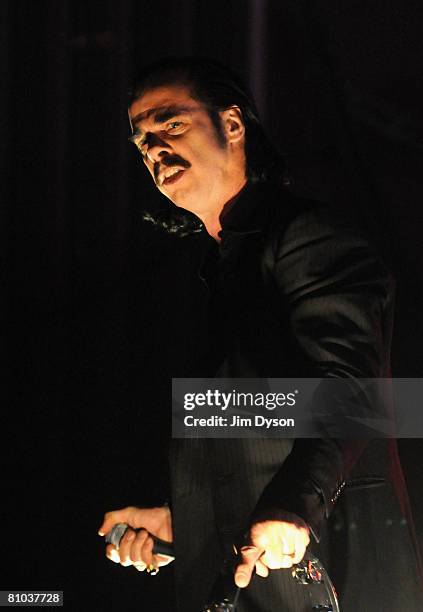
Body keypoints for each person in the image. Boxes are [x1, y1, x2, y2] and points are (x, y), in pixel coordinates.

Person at [98, 58, 422, 611]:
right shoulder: (214, 272)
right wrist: (187, 520)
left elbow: (358, 395)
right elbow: (265, 423)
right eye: (141, 140)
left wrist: (294, 506)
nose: (153, 148)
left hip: (337, 572)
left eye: (171, 124)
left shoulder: (306, 237)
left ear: (232, 124)